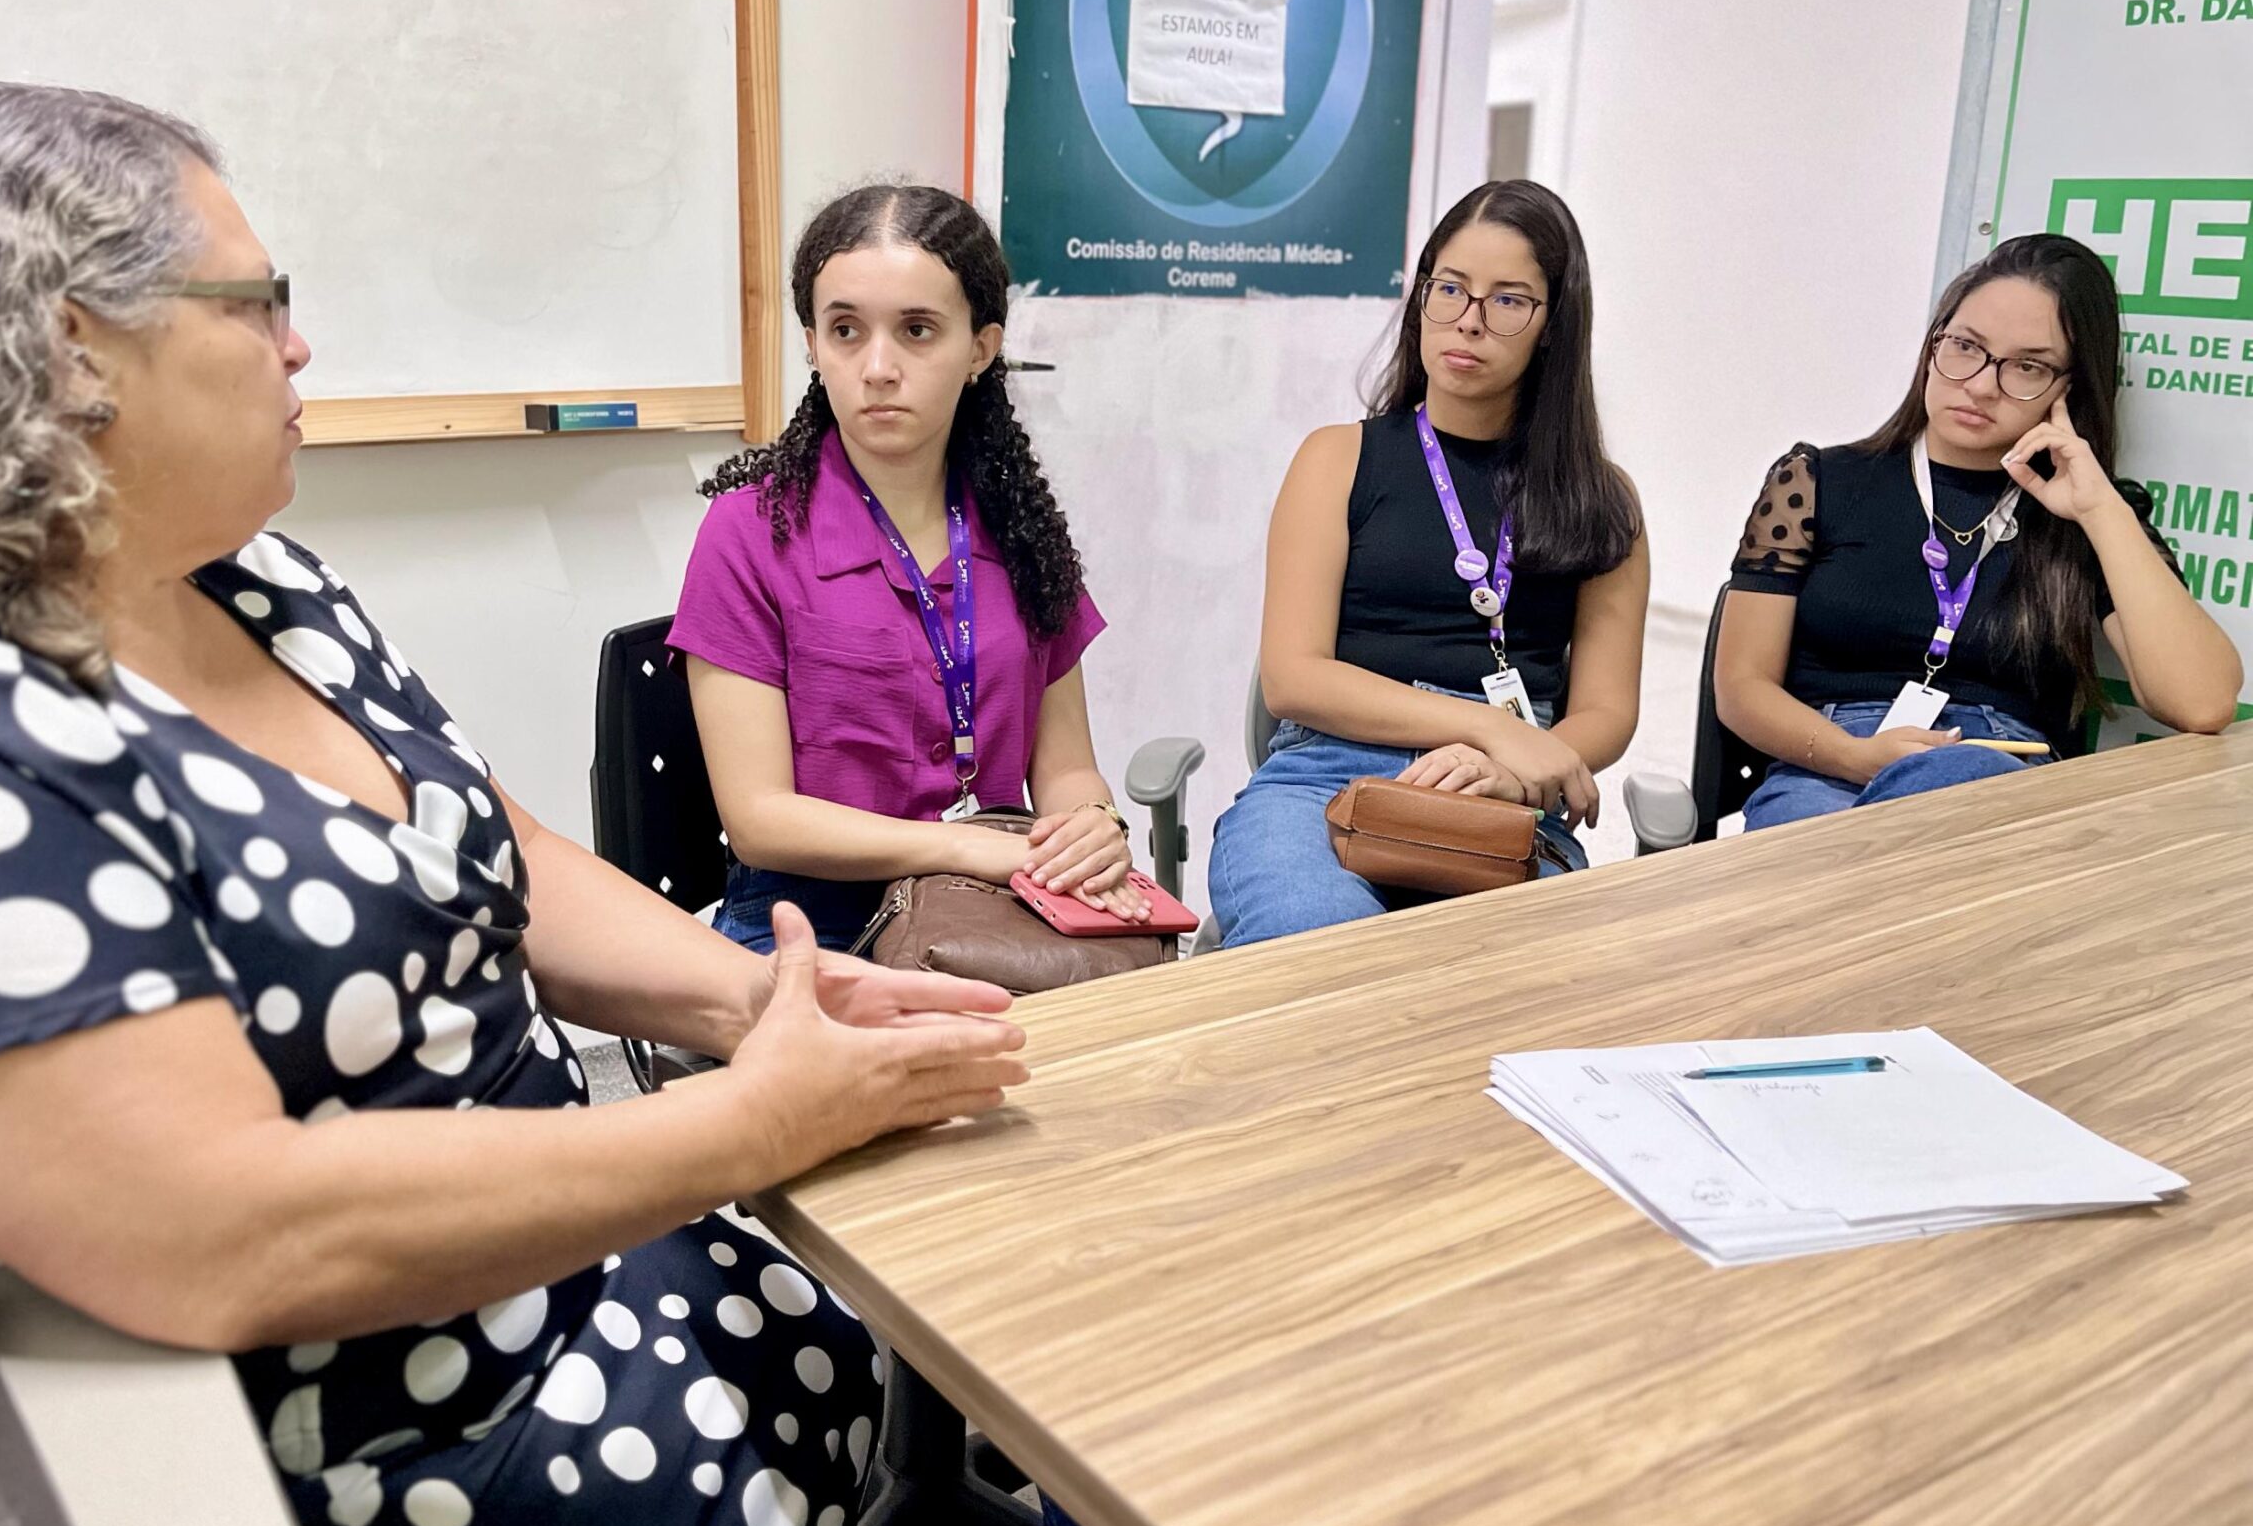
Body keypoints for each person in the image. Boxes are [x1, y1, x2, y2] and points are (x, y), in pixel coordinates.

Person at [0, 84, 1031, 1526]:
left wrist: (754, 1001)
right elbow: (225, 1232)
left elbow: (492, 846)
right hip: (308, 1458)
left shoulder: (258, 583)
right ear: (71, 350)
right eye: (262, 303)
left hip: (557, 1297)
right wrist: (750, 1127)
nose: (302, 345)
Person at [671, 183, 1147, 957]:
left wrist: (1092, 825)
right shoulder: (747, 532)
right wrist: (963, 847)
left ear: (980, 349)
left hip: (990, 902)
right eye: (846, 330)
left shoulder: (1023, 530)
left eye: (918, 330)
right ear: (813, 346)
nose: (878, 366)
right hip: (806, 919)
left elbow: (1067, 770)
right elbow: (759, 820)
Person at [1208, 180, 1648, 949]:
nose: (1468, 322)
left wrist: (1515, 766)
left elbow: (1607, 711)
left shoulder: (1602, 500)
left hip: (1505, 801)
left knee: (1507, 977)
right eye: (1449, 289)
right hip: (1324, 780)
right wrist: (1490, 728)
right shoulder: (1338, 458)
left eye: (1508, 300)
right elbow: (1293, 676)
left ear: (1553, 325)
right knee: (1324, 947)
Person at [1715, 232, 2239, 829]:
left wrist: (2099, 510)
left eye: (2028, 366)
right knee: (1809, 853)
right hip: (1824, 764)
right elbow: (1741, 684)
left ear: (2070, 388)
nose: (1983, 384)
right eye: (1965, 346)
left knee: (1938, 790)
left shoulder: (2087, 513)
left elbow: (2203, 702)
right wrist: (1856, 758)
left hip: (1993, 774)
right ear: (1933, 344)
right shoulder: (1818, 480)